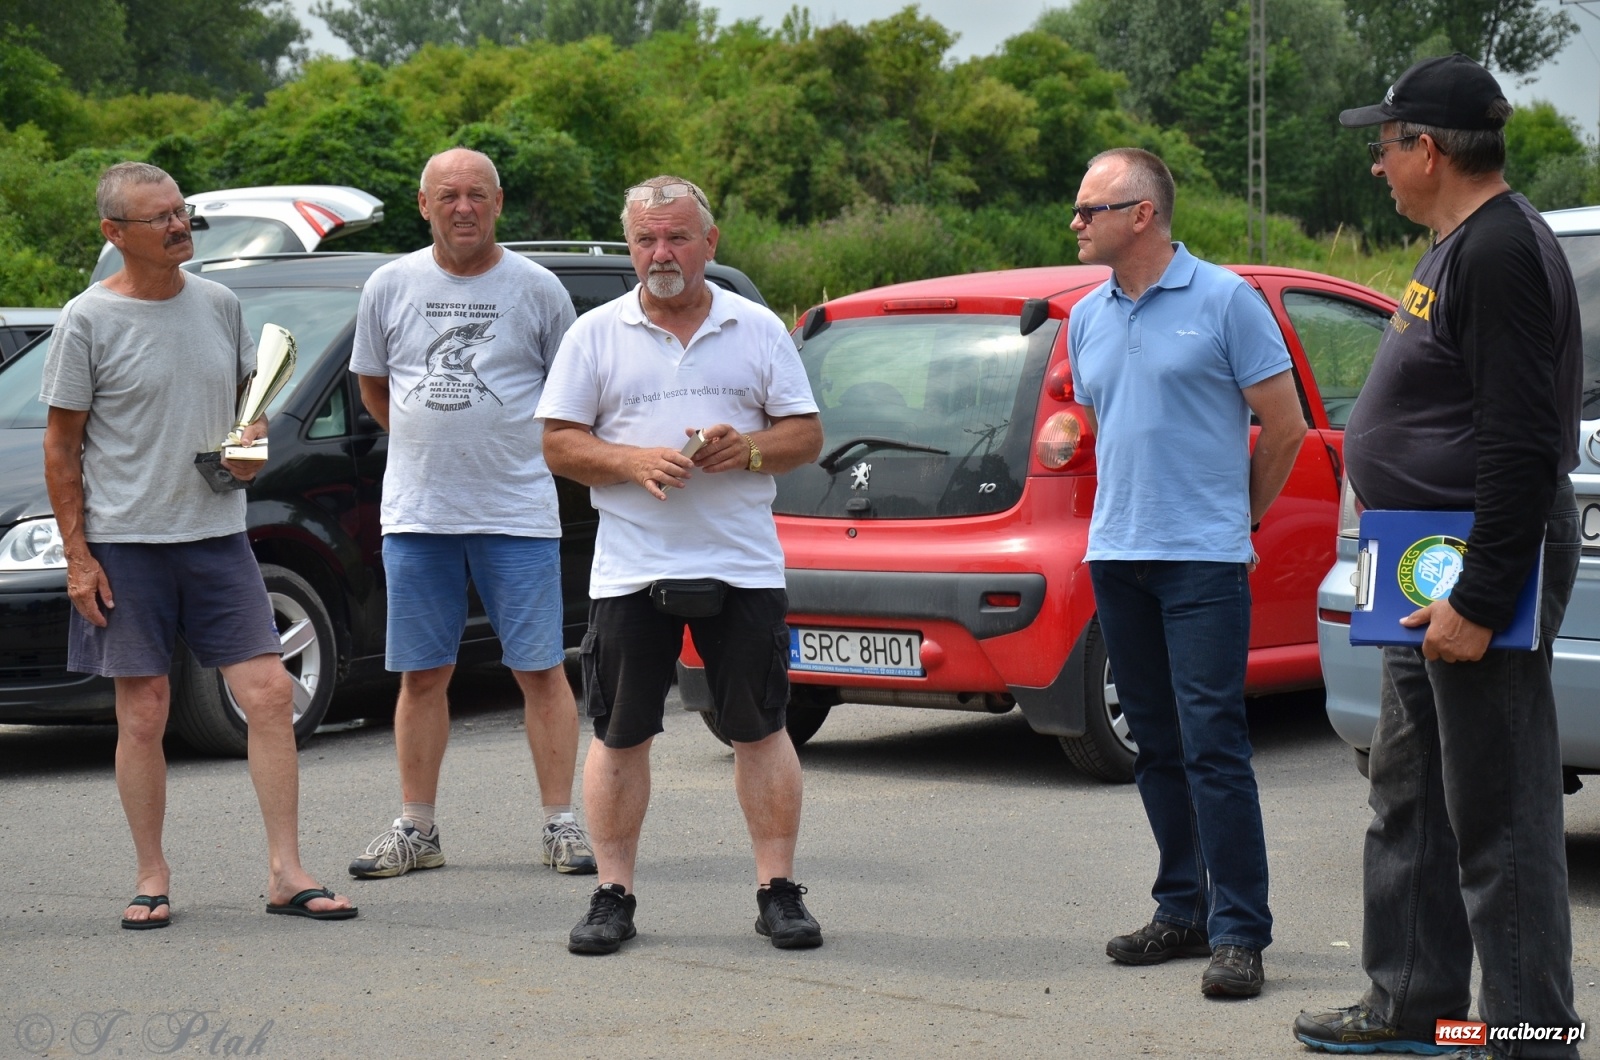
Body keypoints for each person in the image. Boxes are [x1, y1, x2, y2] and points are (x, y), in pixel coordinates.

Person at [1294, 54, 1583, 1058]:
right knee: (1409, 794)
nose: (1375, 165)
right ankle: (1412, 1006)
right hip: (1418, 555)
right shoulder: (1456, 243)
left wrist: (1479, 591)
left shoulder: (1501, 250)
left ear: (1428, 148)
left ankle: (1529, 1033)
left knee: (1499, 817)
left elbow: (1518, 439)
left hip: (1469, 561)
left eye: (1383, 145)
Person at [41, 161, 357, 927]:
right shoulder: (86, 319)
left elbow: (244, 417)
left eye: (183, 213)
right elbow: (61, 448)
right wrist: (79, 558)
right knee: (144, 713)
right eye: (161, 218)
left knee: (271, 696)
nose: (180, 226)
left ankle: (287, 872)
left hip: (218, 537)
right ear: (115, 234)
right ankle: (152, 876)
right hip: (126, 545)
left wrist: (246, 445)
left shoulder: (218, 304)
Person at [537, 175, 825, 955]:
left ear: (710, 242)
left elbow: (807, 433)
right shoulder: (595, 332)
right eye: (645, 241)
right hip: (632, 567)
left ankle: (779, 891)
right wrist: (629, 462)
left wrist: (752, 448)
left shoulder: (757, 327)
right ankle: (612, 893)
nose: (660, 254)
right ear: (629, 247)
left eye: (676, 237)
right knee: (620, 733)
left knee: (761, 728)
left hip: (742, 563)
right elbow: (559, 442)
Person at [1066, 148, 1307, 997]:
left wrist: (1233, 518)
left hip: (1202, 560)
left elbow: (1285, 429)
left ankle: (1241, 931)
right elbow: (1107, 422)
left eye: (1089, 209)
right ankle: (1182, 909)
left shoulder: (1226, 300)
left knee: (1214, 746)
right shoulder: (1087, 316)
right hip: (1117, 555)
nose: (1076, 223)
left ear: (1142, 214)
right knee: (1156, 747)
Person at [346, 147, 595, 879]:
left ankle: (562, 824)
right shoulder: (389, 284)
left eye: (476, 195)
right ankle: (417, 831)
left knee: (541, 670)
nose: (463, 207)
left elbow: (570, 395)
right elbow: (374, 388)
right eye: (448, 195)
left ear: (499, 203)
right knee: (422, 675)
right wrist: (432, 445)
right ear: (423, 204)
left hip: (516, 511)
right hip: (419, 514)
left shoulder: (539, 289)